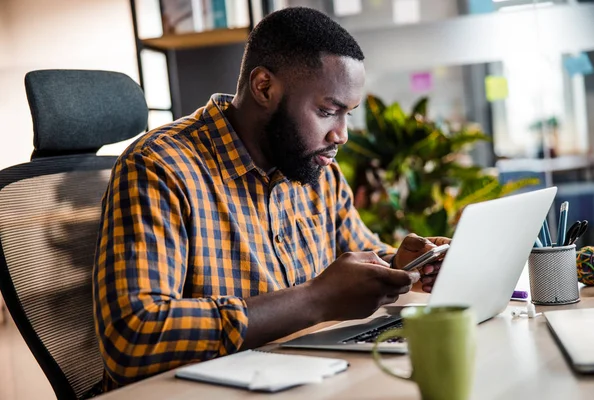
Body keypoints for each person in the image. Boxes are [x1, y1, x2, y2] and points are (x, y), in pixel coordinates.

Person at [93, 6, 450, 391]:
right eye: (328, 111)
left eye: (348, 114)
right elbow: (132, 336)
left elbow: (356, 257)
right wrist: (315, 300)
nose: (341, 135)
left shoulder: (314, 169)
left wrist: (400, 264)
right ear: (264, 87)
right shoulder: (160, 167)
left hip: (301, 378)